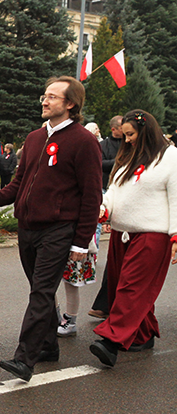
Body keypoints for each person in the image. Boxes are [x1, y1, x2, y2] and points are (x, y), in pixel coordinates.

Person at [0, 76, 102, 382]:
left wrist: (81, 243)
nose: (44, 101)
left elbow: (91, 195)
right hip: (28, 227)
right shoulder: (34, 138)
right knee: (39, 290)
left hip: (59, 229)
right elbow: (20, 183)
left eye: (52, 97)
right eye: (44, 97)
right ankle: (47, 346)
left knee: (42, 291)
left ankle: (25, 359)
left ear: (71, 104)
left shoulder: (84, 141)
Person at [89, 110, 177, 367]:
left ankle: (111, 341)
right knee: (122, 287)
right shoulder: (127, 156)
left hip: (154, 235)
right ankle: (143, 334)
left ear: (146, 132)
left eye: (130, 134)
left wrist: (175, 237)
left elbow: (176, 199)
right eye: (125, 135)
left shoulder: (170, 157)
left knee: (132, 288)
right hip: (121, 233)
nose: (126, 140)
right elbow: (115, 189)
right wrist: (104, 208)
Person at [88, 115, 126, 320]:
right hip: (107, 191)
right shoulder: (103, 145)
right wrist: (119, 162)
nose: (127, 136)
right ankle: (105, 305)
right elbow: (99, 164)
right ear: (114, 129)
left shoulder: (134, 146)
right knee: (115, 261)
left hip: (130, 207)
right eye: (124, 130)